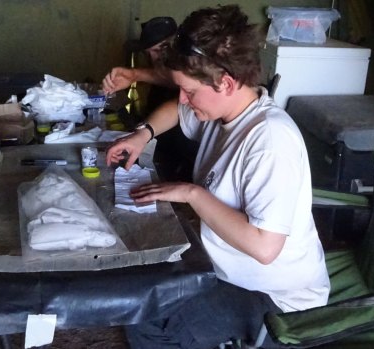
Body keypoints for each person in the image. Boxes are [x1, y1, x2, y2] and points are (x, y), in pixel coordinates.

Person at [105, 5, 330, 348]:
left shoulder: (269, 141)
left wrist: (192, 194)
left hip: (277, 300)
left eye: (190, 91)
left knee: (151, 320)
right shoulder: (223, 115)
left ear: (225, 82)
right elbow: (177, 112)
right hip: (226, 270)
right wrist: (144, 133)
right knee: (142, 294)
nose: (183, 99)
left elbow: (265, 247)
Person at [103, 16, 198, 182]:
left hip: (185, 165)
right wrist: (134, 75)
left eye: (160, 49)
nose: (155, 57)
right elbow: (169, 82)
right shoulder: (173, 80)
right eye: (149, 52)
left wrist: (190, 192)